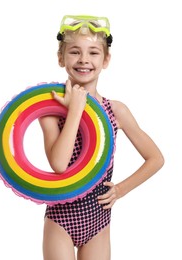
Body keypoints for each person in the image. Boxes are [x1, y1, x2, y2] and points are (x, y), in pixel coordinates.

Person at [39, 15, 164, 260]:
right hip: (62, 217)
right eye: (75, 52)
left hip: (98, 219)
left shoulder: (116, 110)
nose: (84, 59)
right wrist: (75, 109)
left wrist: (120, 190)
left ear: (105, 60)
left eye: (93, 53)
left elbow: (156, 158)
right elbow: (59, 164)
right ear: (60, 58)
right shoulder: (50, 111)